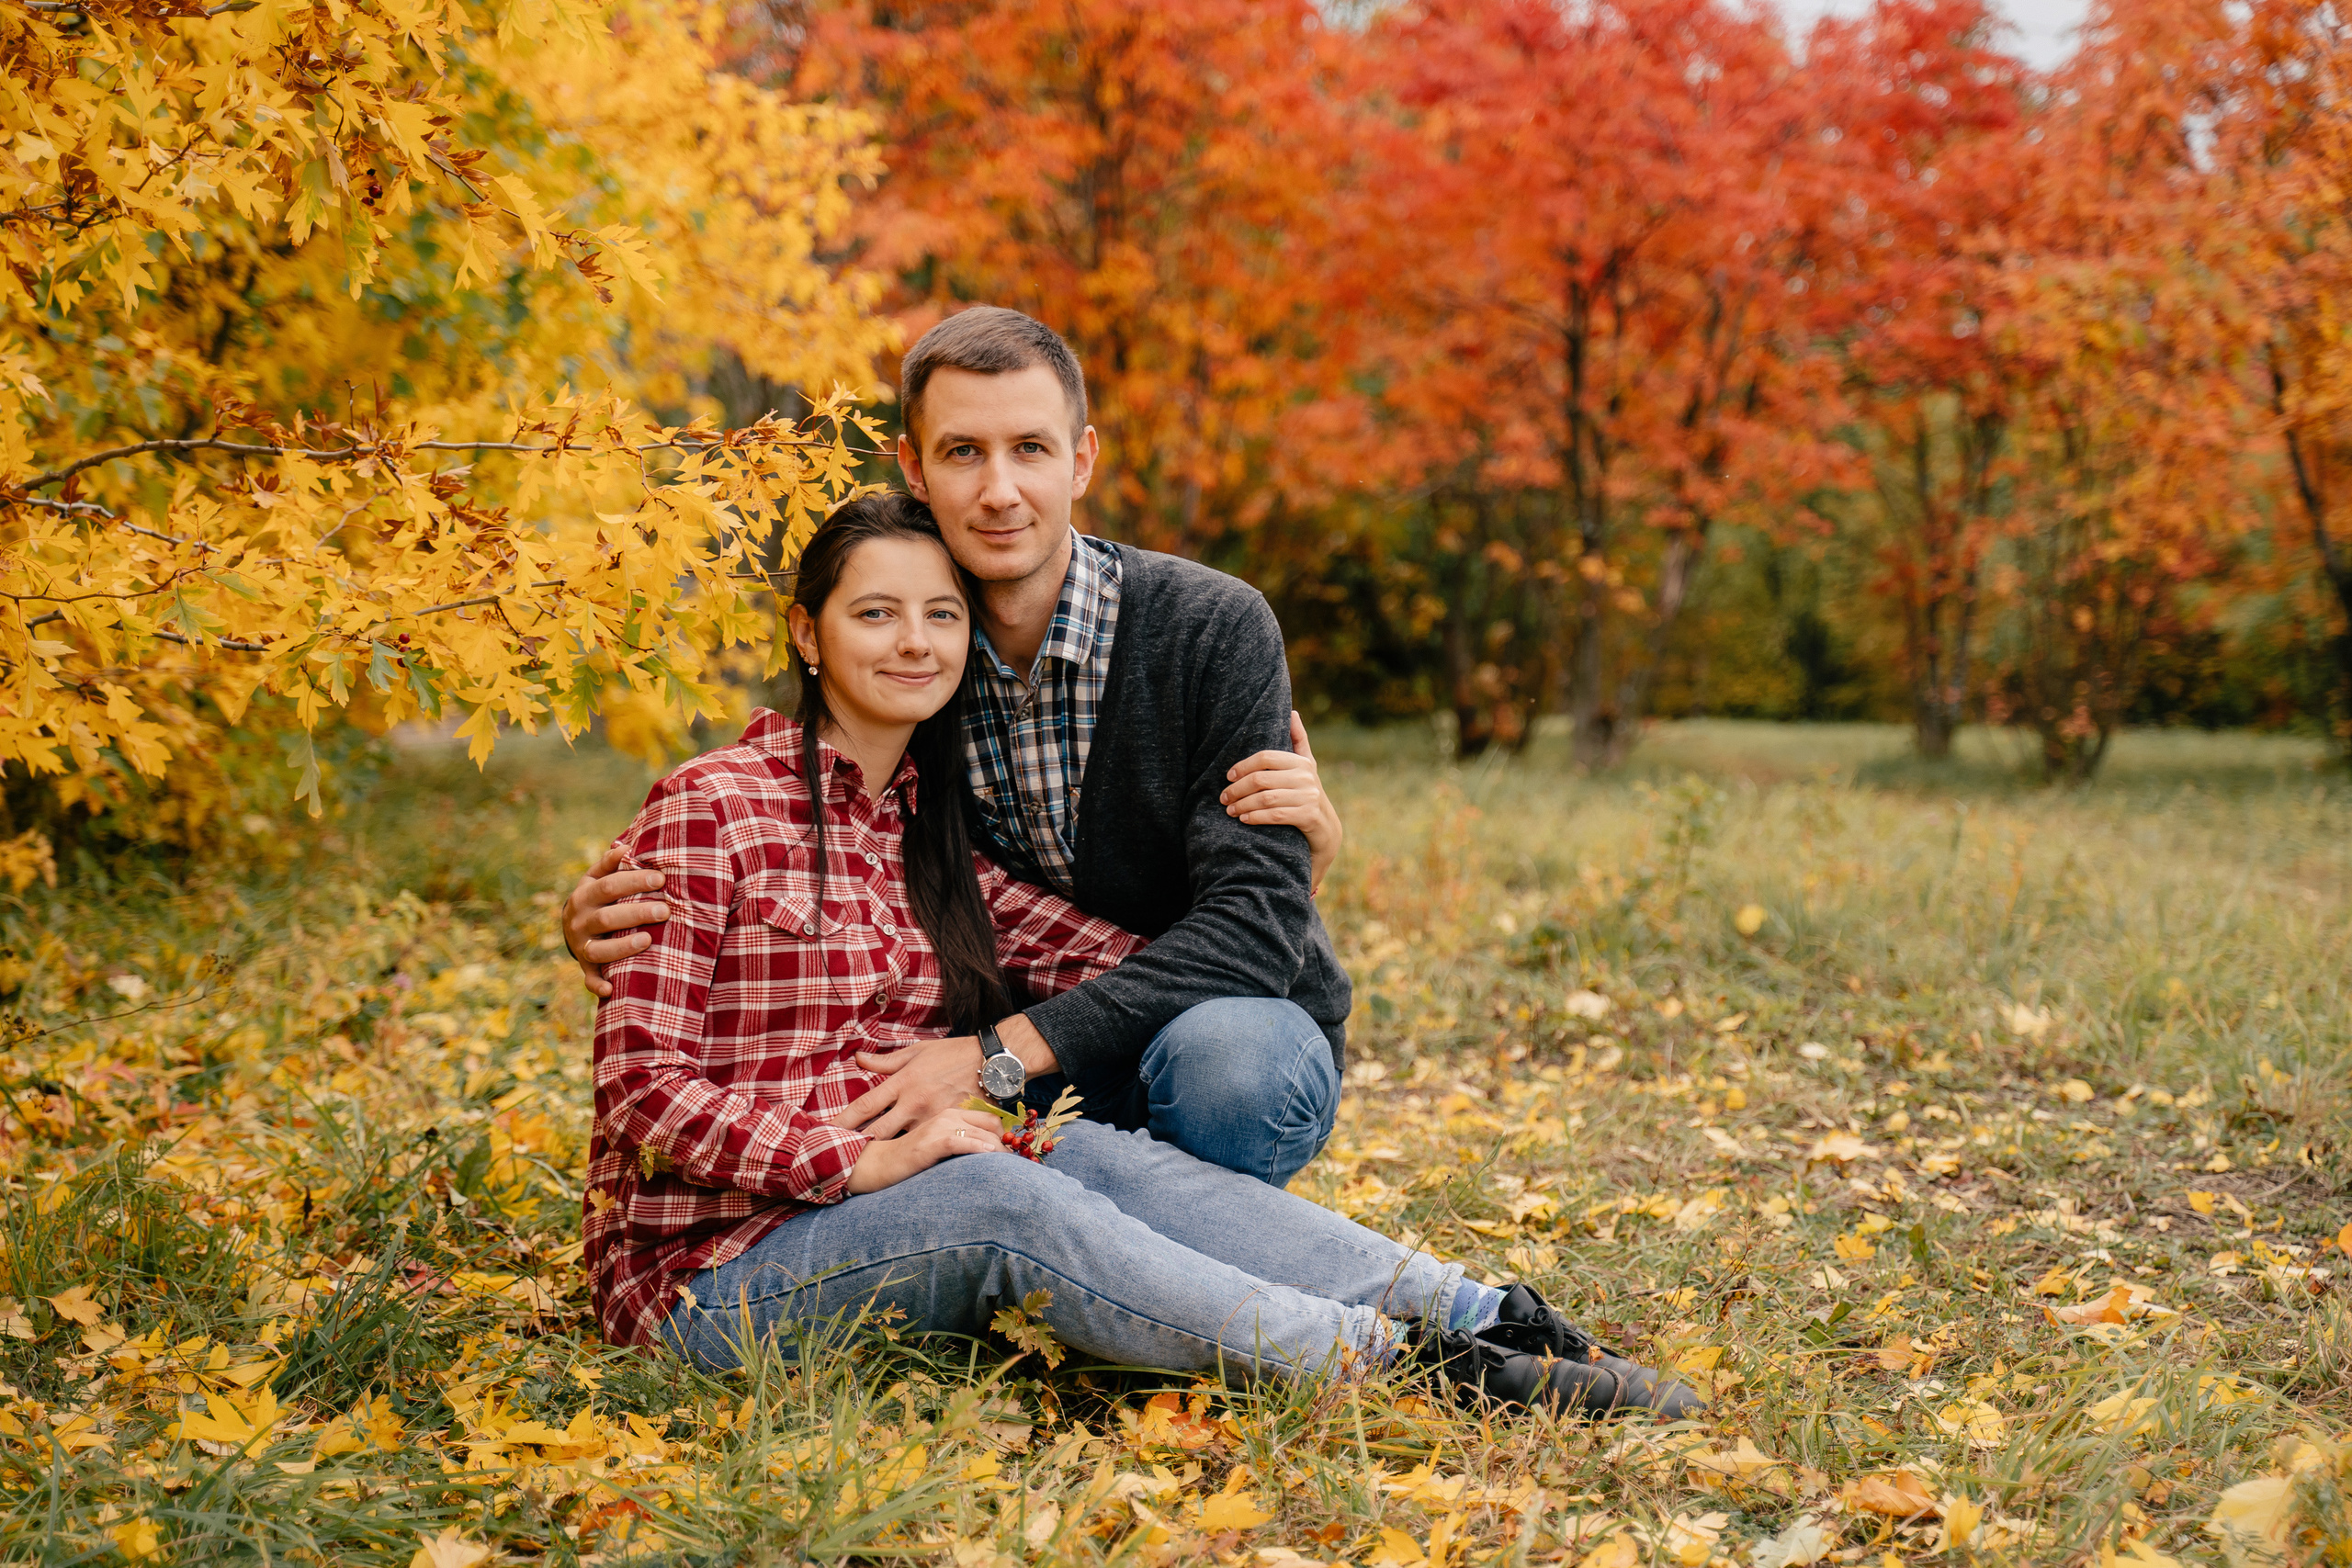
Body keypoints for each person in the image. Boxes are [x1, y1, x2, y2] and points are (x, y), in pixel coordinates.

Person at [590, 491, 1700, 1421]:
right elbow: (643, 1088)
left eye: (939, 614)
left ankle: (1482, 1312)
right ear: (805, 632)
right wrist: (857, 1164)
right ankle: (1408, 1369)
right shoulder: (714, 808)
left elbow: (1144, 962)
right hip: (713, 1277)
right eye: (875, 613)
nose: (915, 642)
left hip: (881, 1210)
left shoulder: (927, 834)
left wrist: (1291, 873)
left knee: (1083, 1155)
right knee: (998, 1189)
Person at [567, 307, 1352, 1189]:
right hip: (983, 1062)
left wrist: (995, 1052)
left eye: (1031, 449)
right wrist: (647, 909)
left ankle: (1195, 1269)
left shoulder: (1212, 628)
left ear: (1082, 459)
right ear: (915, 466)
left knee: (1229, 1067)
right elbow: (804, 815)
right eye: (963, 452)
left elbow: (1252, 935)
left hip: (1196, 1025)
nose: (999, 491)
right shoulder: (914, 653)